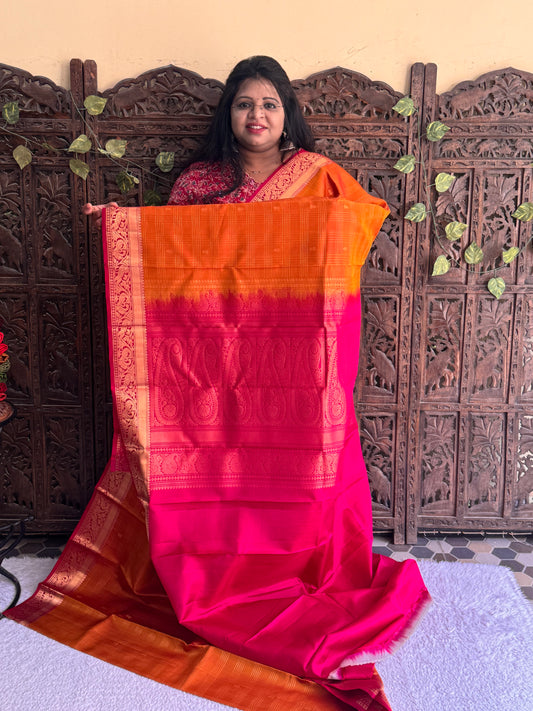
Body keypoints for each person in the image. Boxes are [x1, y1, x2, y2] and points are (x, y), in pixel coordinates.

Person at [11, 57, 430, 711]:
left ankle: (293, 567)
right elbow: (172, 256)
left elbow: (356, 225)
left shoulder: (318, 178)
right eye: (244, 103)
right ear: (228, 114)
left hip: (294, 360)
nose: (256, 115)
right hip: (212, 361)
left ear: (286, 113)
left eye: (269, 103)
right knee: (217, 465)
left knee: (297, 471)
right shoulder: (200, 181)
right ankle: (216, 569)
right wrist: (123, 225)